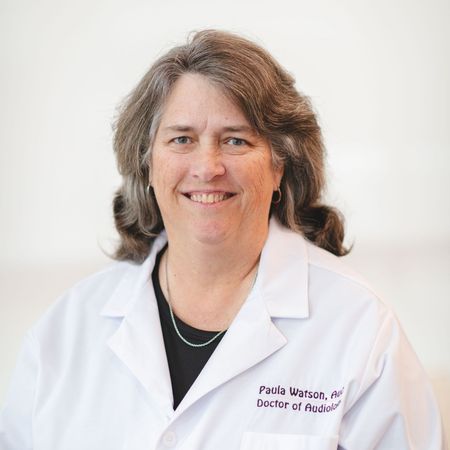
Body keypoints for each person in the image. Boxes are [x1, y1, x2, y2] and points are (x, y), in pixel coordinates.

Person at [0, 30, 446, 450]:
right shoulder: (66, 330)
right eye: (182, 139)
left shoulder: (360, 330)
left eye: (235, 140)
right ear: (147, 166)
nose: (208, 166)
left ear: (280, 166)